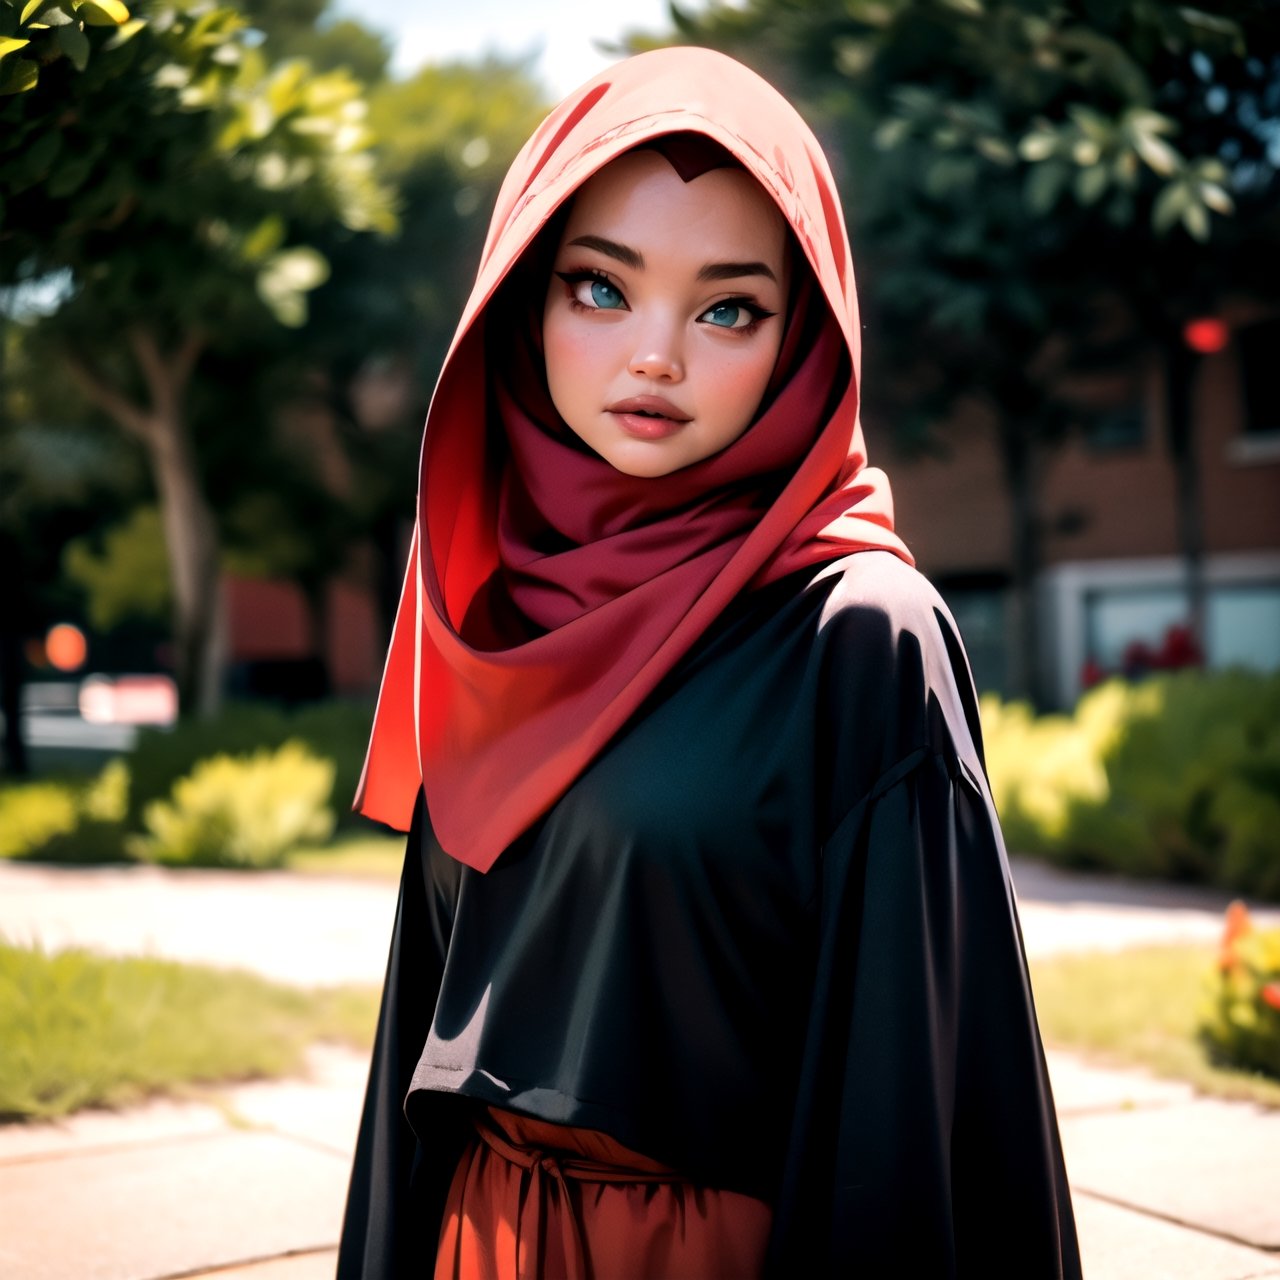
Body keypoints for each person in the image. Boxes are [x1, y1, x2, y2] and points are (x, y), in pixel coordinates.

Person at [338, 46, 1081, 1279]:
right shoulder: (491, 595)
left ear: (803, 340)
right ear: (524, 295)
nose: (654, 357)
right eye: (598, 288)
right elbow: (416, 1017)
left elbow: (912, 1119)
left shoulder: (860, 632)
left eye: (727, 306)